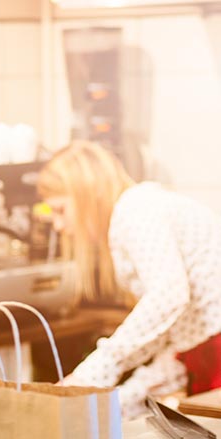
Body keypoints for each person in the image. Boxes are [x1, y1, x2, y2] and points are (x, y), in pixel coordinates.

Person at [37, 140, 221, 419]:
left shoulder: (134, 210)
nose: (60, 227)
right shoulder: (139, 210)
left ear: (88, 194)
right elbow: (169, 339)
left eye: (60, 210)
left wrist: (93, 373)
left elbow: (168, 295)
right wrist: (113, 402)